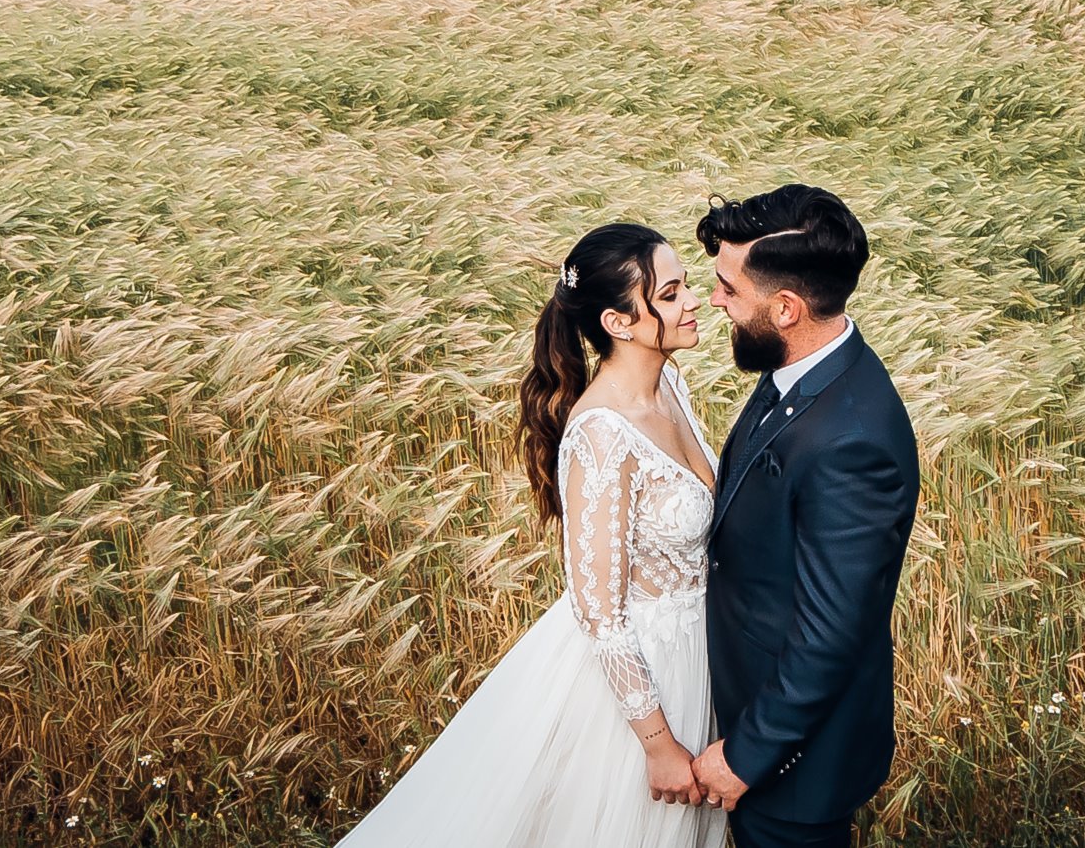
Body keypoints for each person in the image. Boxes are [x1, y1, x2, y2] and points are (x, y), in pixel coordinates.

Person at [333, 222, 726, 848]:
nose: (694, 300)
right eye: (671, 294)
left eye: (684, 286)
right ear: (618, 322)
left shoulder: (670, 386)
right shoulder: (601, 434)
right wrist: (657, 744)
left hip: (693, 656)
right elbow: (600, 614)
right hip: (640, 683)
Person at [692, 186, 921, 848]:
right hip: (750, 709)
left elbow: (830, 634)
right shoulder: (800, 368)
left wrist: (747, 755)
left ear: (786, 308)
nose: (716, 301)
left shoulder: (851, 442)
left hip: (795, 769)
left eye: (729, 288)